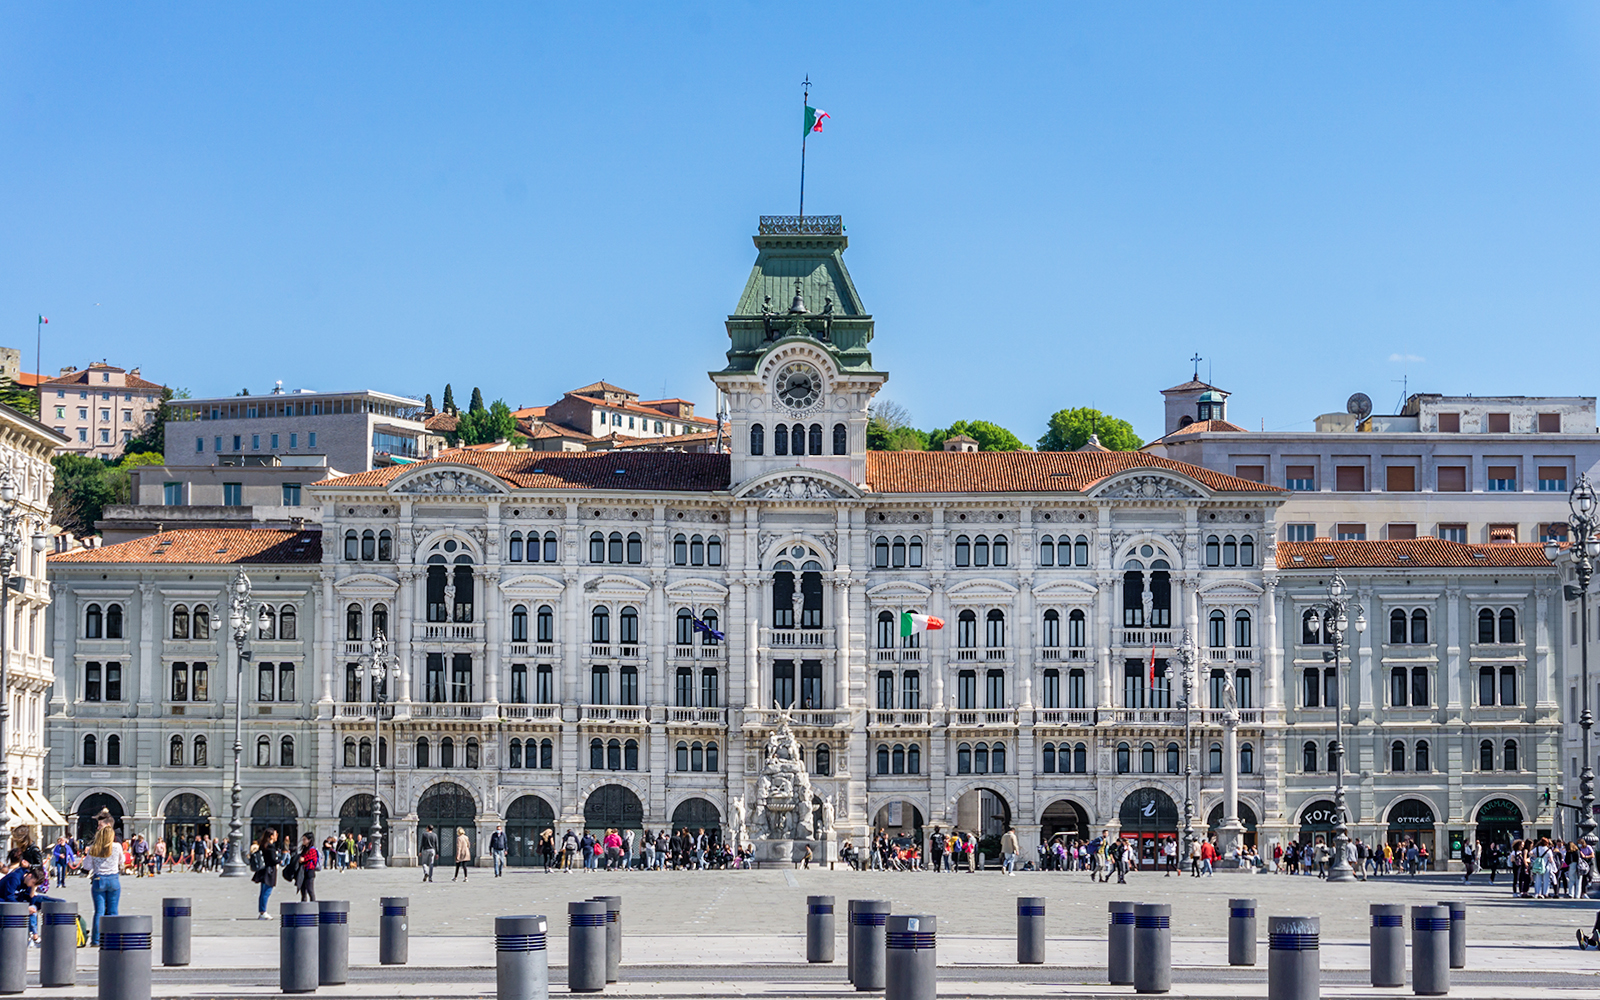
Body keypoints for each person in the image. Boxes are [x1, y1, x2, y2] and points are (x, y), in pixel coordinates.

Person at [83, 817, 123, 945]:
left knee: (99, 911)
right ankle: (113, 938)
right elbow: (122, 861)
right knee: (113, 910)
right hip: (113, 879)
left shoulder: (94, 848)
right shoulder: (116, 847)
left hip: (99, 879)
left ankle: (96, 939)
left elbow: (87, 866)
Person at [249, 829, 280, 919]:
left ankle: (262, 911)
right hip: (269, 872)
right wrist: (280, 860)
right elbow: (272, 860)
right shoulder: (270, 847)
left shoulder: (264, 846)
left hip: (264, 871)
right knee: (266, 892)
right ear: (271, 836)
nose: (277, 835)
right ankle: (263, 912)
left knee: (263, 892)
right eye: (275, 834)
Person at [294, 833, 319, 902]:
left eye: (305, 839)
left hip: (310, 871)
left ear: (309, 840)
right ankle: (303, 906)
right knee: (303, 891)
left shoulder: (312, 850)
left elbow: (309, 858)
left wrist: (303, 859)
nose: (303, 840)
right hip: (303, 872)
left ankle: (313, 906)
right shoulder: (304, 849)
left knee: (310, 890)